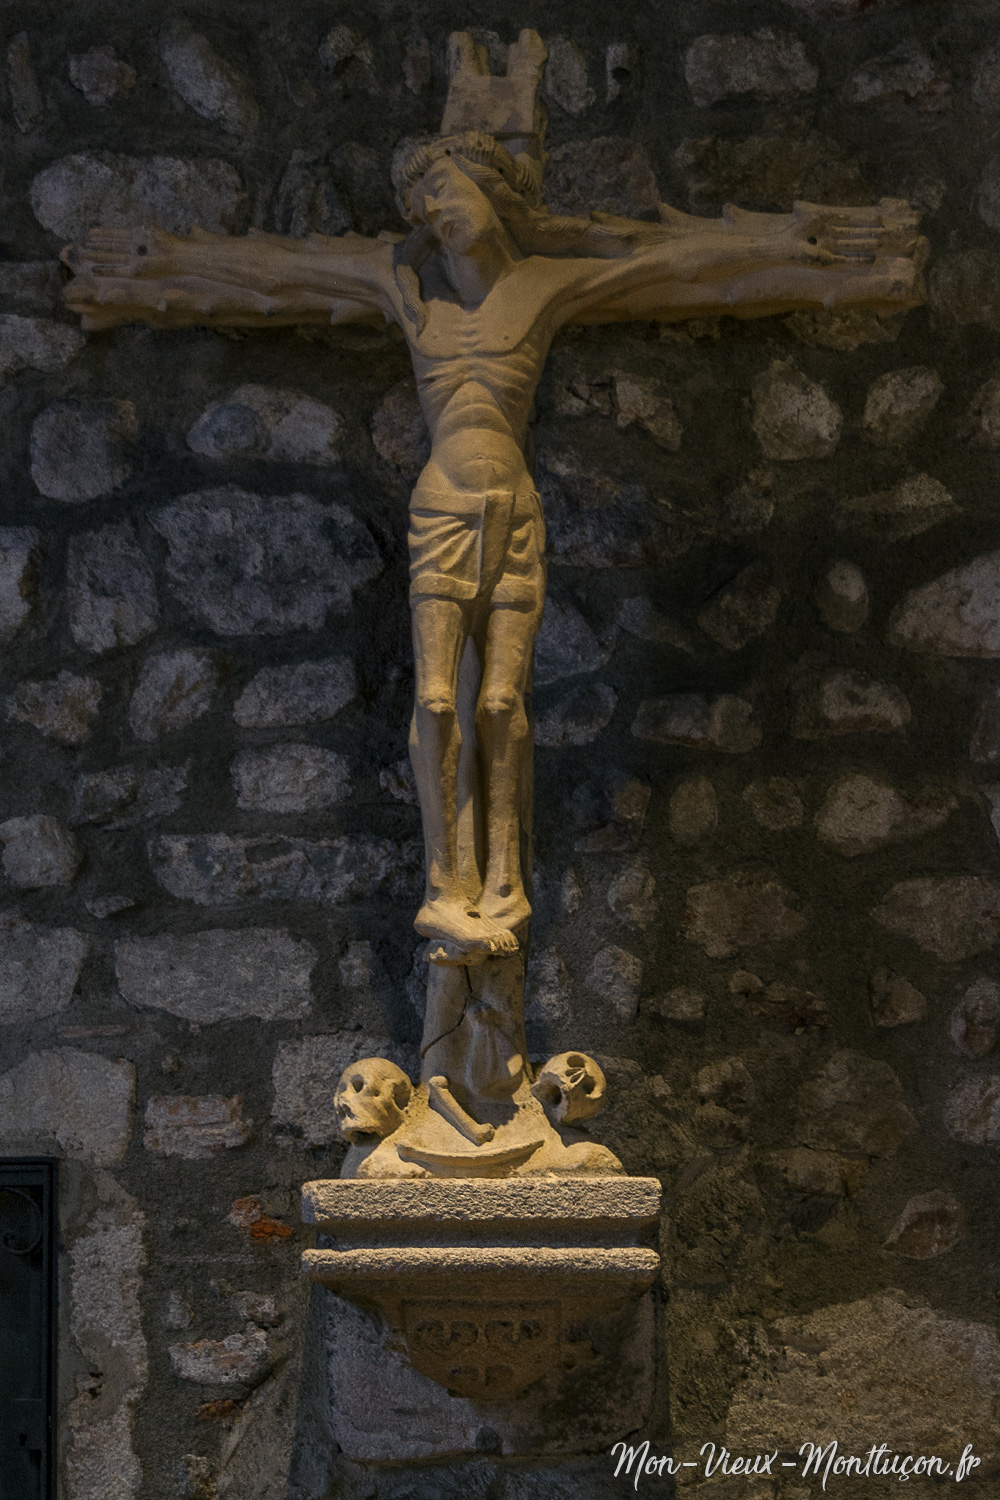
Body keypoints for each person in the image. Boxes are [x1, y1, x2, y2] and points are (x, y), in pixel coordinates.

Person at [63, 129, 924, 968]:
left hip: (515, 512)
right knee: (439, 700)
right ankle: (446, 884)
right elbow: (279, 272)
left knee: (504, 704)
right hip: (442, 507)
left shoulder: (543, 283)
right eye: (424, 202)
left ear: (495, 195)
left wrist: (804, 244)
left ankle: (505, 879)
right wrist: (152, 262)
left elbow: (674, 264)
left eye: (448, 189)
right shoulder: (404, 283)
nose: (438, 211)